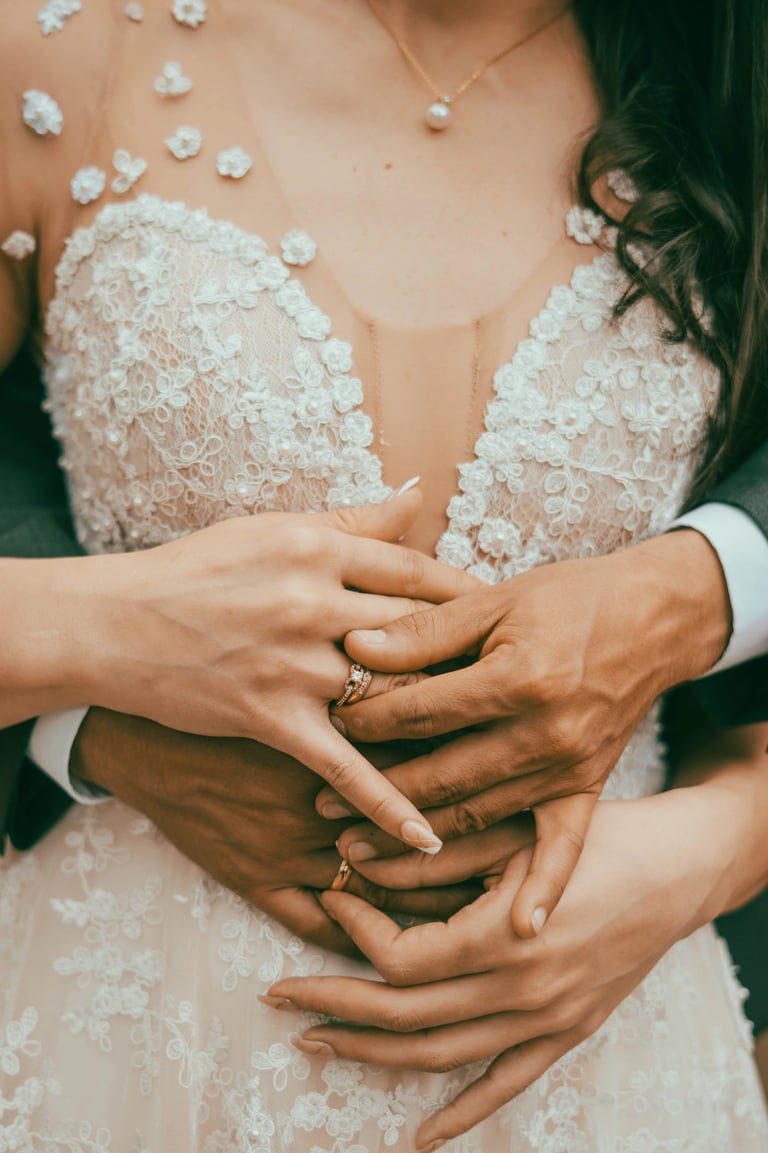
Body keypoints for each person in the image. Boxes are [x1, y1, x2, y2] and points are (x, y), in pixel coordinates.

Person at [0, 0, 767, 1149]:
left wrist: (702, 854)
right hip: (135, 1043)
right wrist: (119, 635)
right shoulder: (55, 54)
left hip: (610, 1050)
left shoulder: (722, 65)